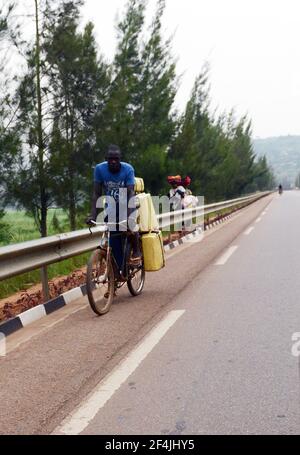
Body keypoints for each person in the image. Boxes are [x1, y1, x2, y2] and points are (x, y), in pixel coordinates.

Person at [86, 145, 141, 272]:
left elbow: (130, 193)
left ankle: (136, 251)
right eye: (111, 159)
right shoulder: (100, 169)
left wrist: (128, 217)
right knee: (113, 240)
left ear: (120, 159)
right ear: (106, 159)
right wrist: (93, 215)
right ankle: (118, 272)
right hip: (111, 207)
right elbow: (96, 194)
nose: (113, 162)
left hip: (127, 203)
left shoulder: (128, 169)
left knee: (130, 226)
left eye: (116, 159)